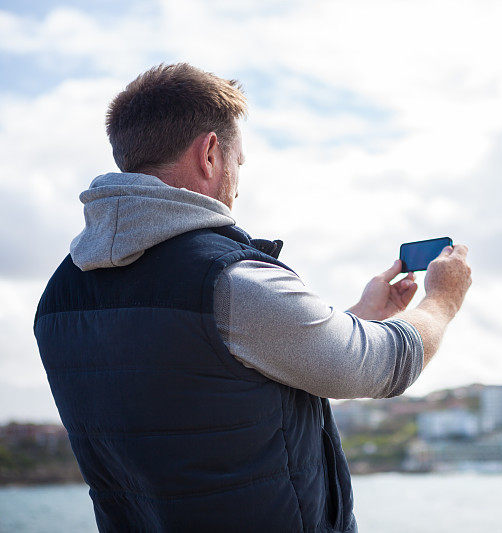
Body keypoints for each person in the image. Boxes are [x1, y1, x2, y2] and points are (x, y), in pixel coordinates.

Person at [33, 63, 471, 532]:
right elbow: (384, 363)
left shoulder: (58, 298)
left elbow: (213, 379)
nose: (238, 183)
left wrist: (361, 317)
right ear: (210, 153)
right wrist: (442, 299)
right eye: (238, 163)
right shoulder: (231, 281)